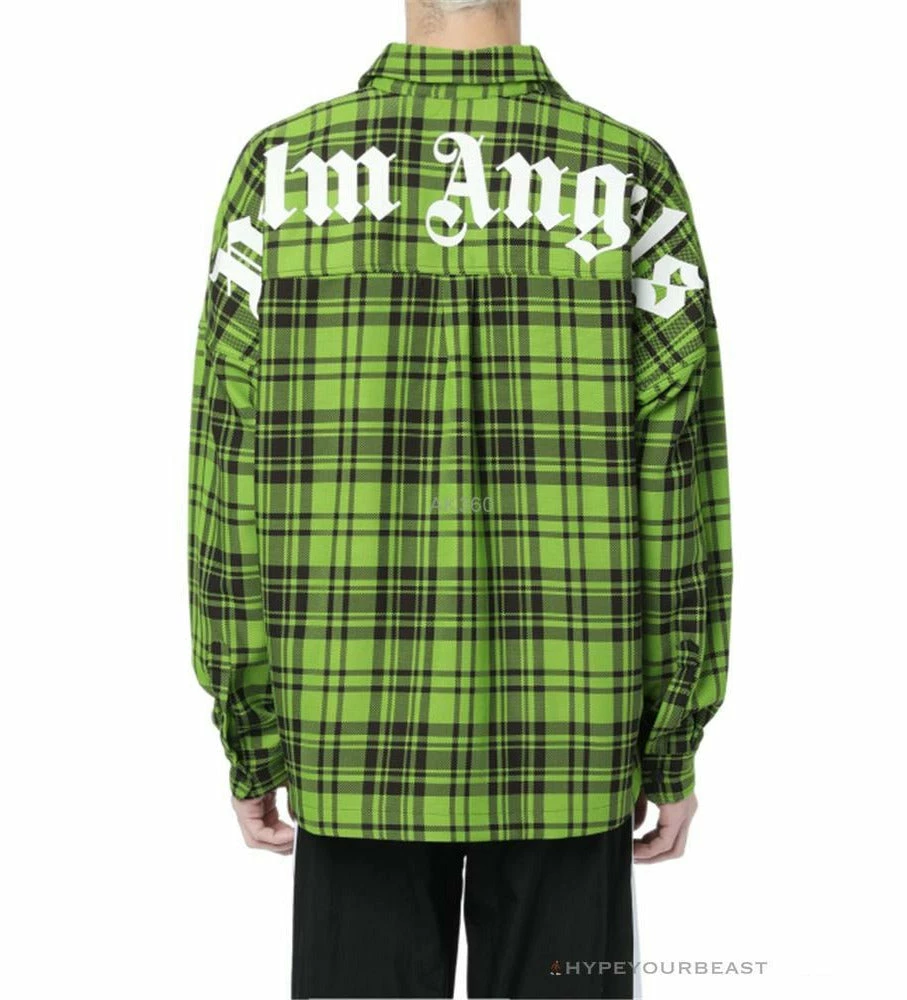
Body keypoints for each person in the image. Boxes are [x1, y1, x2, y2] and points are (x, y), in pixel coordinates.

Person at [187, 0, 733, 996]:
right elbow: (679, 486)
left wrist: (250, 731)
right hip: (573, 731)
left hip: (348, 730)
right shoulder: (630, 176)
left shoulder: (276, 174)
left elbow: (229, 475)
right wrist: (671, 745)